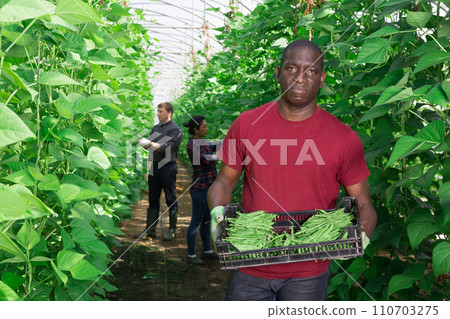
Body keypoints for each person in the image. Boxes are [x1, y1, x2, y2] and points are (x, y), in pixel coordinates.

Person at [207, 39, 377, 301]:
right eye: (291, 68)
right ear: (278, 73)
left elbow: (363, 202)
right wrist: (217, 213)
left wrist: (360, 235)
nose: (300, 78)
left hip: (309, 272)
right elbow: (224, 183)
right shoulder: (248, 124)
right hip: (250, 263)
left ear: (321, 79)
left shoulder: (343, 138)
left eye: (311, 71)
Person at [137, 102, 182, 241]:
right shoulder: (156, 128)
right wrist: (144, 144)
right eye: (157, 111)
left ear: (169, 113)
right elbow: (150, 146)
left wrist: (150, 144)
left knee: (170, 198)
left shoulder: (175, 129)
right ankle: (150, 231)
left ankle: (172, 231)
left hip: (168, 168)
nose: (158, 113)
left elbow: (166, 147)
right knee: (153, 199)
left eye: (160, 111)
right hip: (155, 167)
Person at [183, 116, 220, 265]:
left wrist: (224, 142)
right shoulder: (193, 144)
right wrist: (222, 154)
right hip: (200, 188)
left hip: (209, 187)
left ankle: (207, 251)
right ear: (195, 130)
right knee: (196, 222)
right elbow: (207, 159)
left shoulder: (201, 142)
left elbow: (214, 146)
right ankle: (191, 255)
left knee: (206, 221)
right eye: (204, 127)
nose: (207, 129)